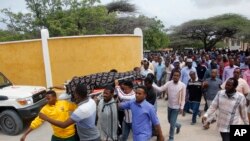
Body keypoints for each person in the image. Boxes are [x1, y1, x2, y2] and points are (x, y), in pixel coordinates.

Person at [153, 70, 186, 141]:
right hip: (169, 106)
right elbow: (160, 89)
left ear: (179, 77)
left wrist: (182, 107)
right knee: (170, 121)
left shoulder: (182, 85)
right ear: (172, 76)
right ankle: (178, 125)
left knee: (172, 123)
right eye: (174, 75)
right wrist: (152, 84)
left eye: (177, 76)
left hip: (176, 107)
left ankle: (171, 138)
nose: (175, 77)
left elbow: (183, 98)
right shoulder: (169, 83)